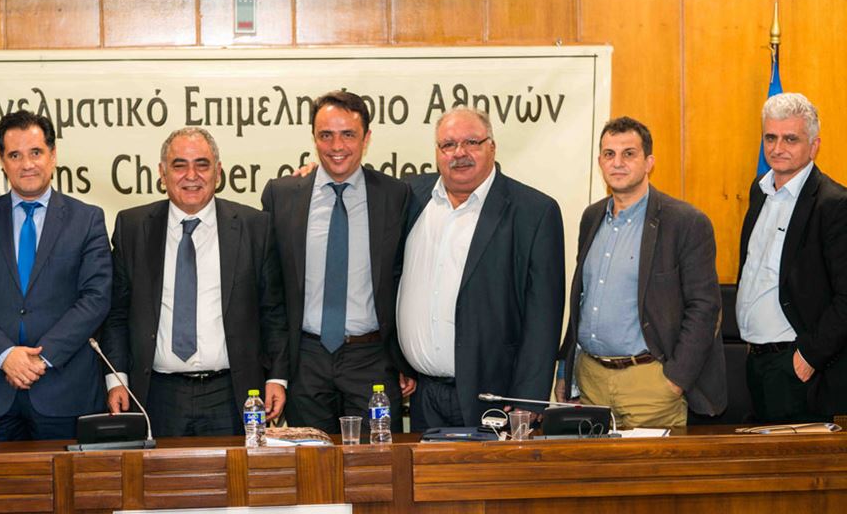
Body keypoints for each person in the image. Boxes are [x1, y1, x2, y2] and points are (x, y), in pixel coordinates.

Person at [101, 127, 288, 436]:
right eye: (179, 165)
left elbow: (274, 312)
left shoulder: (254, 226)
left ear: (218, 172)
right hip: (156, 393)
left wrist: (277, 378)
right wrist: (116, 378)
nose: (191, 175)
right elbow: (117, 313)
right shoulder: (133, 227)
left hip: (232, 393)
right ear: (162, 173)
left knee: (235, 469)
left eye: (202, 164)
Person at [397, 107, 565, 430]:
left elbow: (544, 313)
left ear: (492, 147)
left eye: (472, 142)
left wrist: (529, 398)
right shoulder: (411, 197)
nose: (459, 153)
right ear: (437, 152)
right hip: (422, 394)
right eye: (448, 145)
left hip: (495, 397)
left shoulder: (534, 211)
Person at [0, 110, 112, 441]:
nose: (27, 164)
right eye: (15, 155)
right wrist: (6, 356)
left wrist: (41, 358)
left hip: (66, 390)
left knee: (68, 477)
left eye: (36, 152)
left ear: (53, 155)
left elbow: (96, 298)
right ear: (1, 161)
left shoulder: (87, 220)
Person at [556, 116, 726, 428]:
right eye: (609, 154)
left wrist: (675, 380)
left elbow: (705, 308)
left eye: (629, 154)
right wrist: (566, 370)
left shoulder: (685, 222)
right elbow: (582, 299)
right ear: (600, 162)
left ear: (649, 162)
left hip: (651, 385)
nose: (617, 163)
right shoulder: (591, 217)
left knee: (648, 464)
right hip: (591, 383)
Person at [261, 90, 413, 435]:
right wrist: (277, 371)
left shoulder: (396, 195)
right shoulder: (282, 196)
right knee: (309, 462)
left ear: (366, 138)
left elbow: (404, 275)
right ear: (313, 137)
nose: (336, 146)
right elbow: (271, 292)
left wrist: (406, 360)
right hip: (306, 359)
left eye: (348, 134)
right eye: (326, 135)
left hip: (372, 359)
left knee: (375, 461)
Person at [737, 92, 847, 423]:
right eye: (770, 137)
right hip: (756, 361)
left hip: (798, 367)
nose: (777, 147)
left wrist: (809, 356)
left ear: (814, 146)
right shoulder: (759, 190)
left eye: (790, 139)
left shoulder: (834, 204)